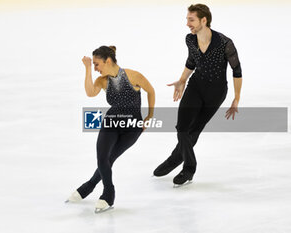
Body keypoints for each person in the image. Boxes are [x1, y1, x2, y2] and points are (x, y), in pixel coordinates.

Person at [153, 4, 242, 186]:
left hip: (215, 93)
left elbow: (237, 70)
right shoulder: (190, 39)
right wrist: (182, 80)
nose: (187, 24)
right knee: (182, 128)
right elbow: (192, 61)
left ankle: (184, 167)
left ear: (204, 20)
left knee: (194, 130)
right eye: (187, 19)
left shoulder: (224, 43)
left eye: (191, 20)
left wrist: (236, 98)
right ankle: (182, 162)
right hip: (195, 86)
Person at [66, 46, 155, 213]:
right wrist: (87, 69)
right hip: (111, 122)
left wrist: (149, 116)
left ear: (108, 61)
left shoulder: (133, 75)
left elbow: (150, 90)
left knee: (110, 158)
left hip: (132, 127)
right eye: (93, 65)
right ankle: (108, 194)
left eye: (96, 64)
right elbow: (90, 93)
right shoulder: (103, 81)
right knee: (102, 159)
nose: (95, 68)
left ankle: (89, 186)